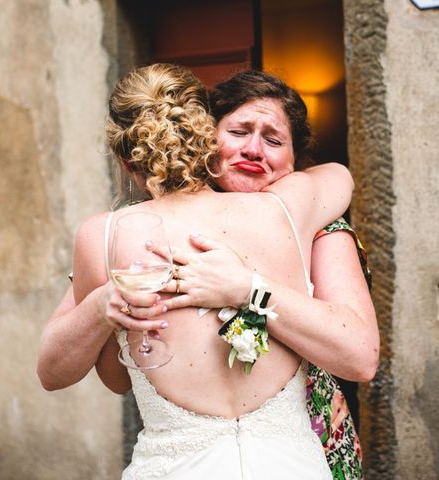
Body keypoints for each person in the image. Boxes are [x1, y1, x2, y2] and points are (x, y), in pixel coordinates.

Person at [37, 69, 378, 479]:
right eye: (238, 132)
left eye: (273, 140)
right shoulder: (287, 212)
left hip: (313, 441)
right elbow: (100, 371)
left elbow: (361, 355)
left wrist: (248, 289)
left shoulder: (305, 219)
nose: (254, 150)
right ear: (205, 138)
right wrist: (100, 306)